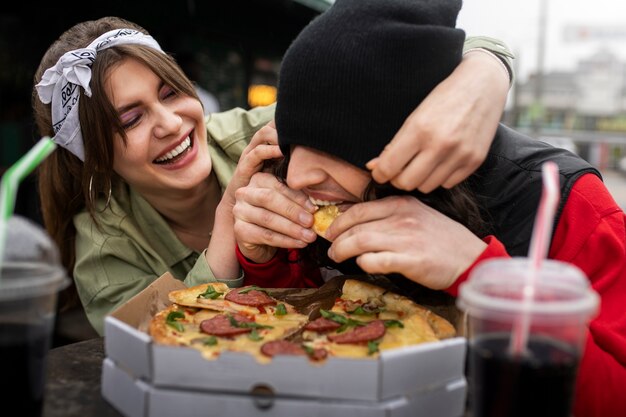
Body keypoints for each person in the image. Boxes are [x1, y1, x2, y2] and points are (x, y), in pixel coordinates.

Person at [231, 1, 626, 416]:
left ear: (419, 143)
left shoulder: (565, 202)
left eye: (331, 146)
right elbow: (303, 325)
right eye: (295, 143)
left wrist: (479, 271)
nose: (297, 177)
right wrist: (266, 262)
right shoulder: (308, 188)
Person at [32, 16, 514, 335]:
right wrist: (229, 223)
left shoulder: (264, 133)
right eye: (131, 120)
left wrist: (486, 75)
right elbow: (153, 344)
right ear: (94, 160)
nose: (170, 123)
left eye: (171, 93)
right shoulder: (101, 247)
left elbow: (398, 68)